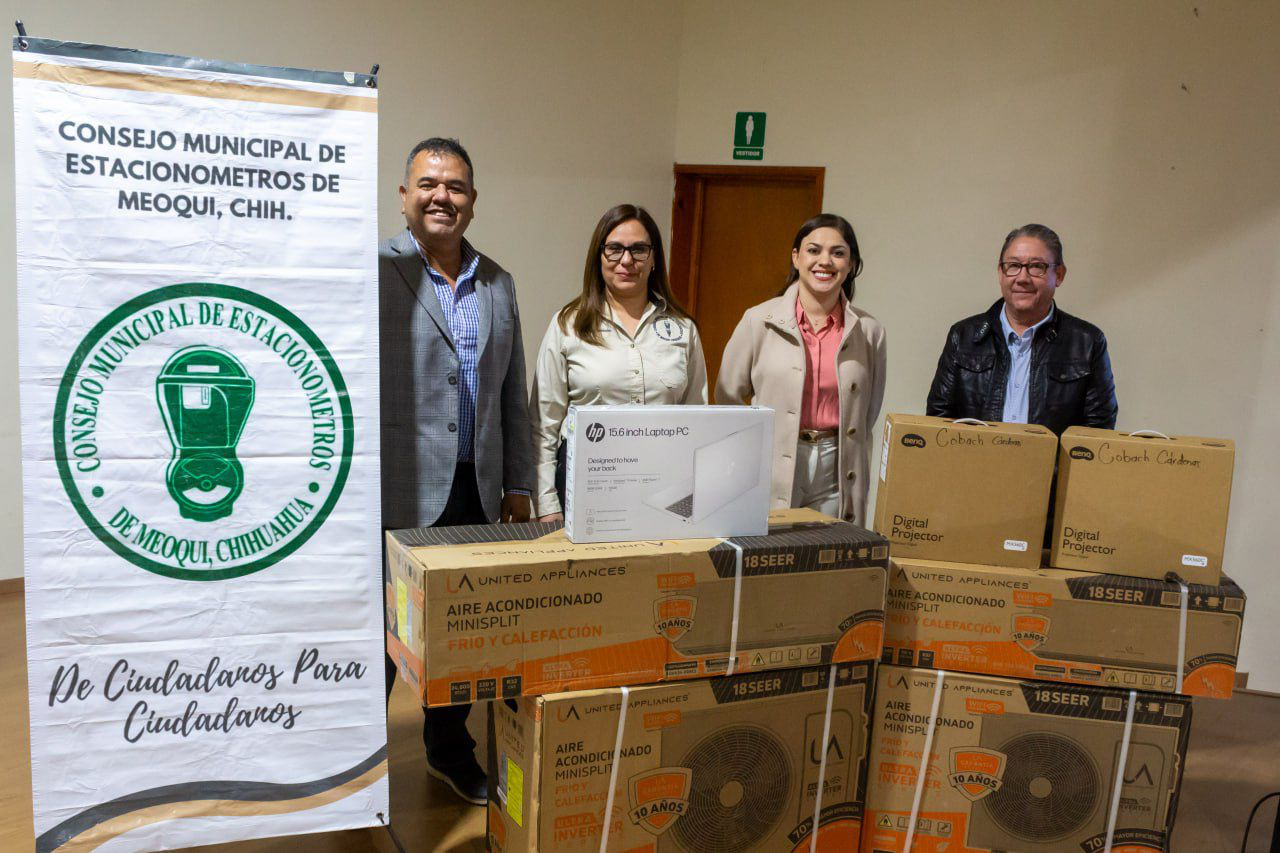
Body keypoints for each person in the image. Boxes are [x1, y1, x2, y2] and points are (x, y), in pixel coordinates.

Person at [379, 137, 534, 805]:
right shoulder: (373, 270)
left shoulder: (499, 282)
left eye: (457, 187)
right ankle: (354, 767)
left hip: (478, 485)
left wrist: (520, 483)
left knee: (463, 633)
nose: (443, 196)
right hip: (398, 486)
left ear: (472, 200)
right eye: (429, 184)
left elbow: (513, 394)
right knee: (381, 635)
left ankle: (449, 750)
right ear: (405, 195)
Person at [530, 204, 707, 521]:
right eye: (614, 249)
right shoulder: (568, 325)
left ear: (653, 259)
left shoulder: (682, 329)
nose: (627, 260)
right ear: (599, 256)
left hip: (665, 484)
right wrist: (546, 504)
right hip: (588, 482)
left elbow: (698, 421)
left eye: (639, 250)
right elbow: (544, 425)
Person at [716, 213, 886, 525]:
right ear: (796, 257)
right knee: (770, 555)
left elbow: (868, 410)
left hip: (837, 464)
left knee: (827, 559)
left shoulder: (869, 331)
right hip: (771, 459)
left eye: (838, 253)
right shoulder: (758, 320)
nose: (825, 261)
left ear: (850, 265)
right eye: (814, 250)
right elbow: (726, 398)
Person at [925, 223, 1117, 433]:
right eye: (1013, 266)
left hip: (1051, 467)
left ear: (1059, 274)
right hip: (976, 465)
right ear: (1001, 272)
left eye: (1036, 266)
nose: (1022, 278)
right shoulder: (963, 337)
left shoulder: (1087, 343)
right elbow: (938, 424)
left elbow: (1098, 433)